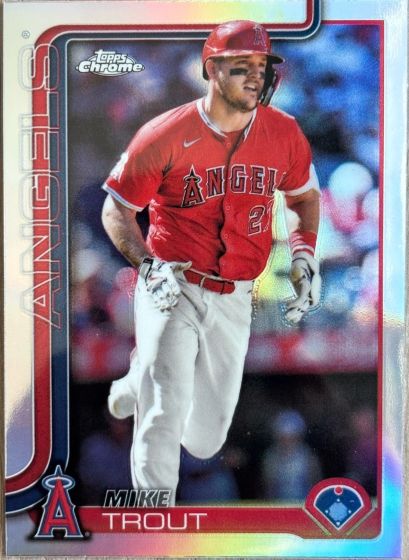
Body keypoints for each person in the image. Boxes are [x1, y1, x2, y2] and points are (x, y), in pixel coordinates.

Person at [101, 20, 321, 504]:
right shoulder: (164, 132)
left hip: (236, 292)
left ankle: (140, 372)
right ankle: (154, 511)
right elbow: (116, 210)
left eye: (262, 66)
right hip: (172, 282)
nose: (256, 77)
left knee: (204, 439)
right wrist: (148, 266)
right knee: (165, 405)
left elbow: (304, 198)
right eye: (242, 66)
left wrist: (304, 255)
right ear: (211, 70)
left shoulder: (283, 132)